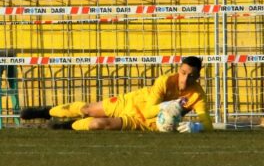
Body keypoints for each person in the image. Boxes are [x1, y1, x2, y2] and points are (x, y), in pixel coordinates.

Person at [20, 56, 213, 132]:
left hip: (144, 123)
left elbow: (208, 124)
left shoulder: (198, 94)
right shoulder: (164, 80)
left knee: (97, 124)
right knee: (89, 109)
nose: (185, 79)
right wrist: (167, 106)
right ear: (178, 69)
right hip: (132, 102)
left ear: (198, 76)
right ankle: (47, 112)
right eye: (183, 73)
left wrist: (197, 127)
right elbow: (147, 110)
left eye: (191, 76)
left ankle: (67, 126)